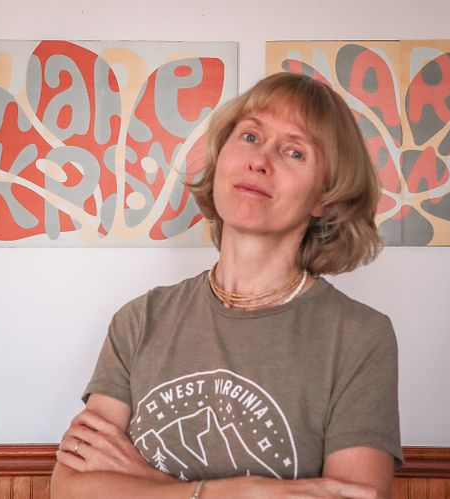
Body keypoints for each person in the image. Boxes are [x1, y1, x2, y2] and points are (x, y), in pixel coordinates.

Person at [51, 72, 403, 499]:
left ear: (324, 198)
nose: (260, 160)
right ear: (220, 160)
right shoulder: (140, 320)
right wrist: (240, 492)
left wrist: (148, 482)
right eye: (250, 137)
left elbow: (355, 497)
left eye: (294, 151)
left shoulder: (359, 336)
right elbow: (70, 489)